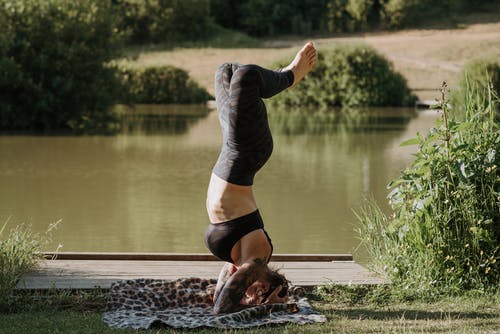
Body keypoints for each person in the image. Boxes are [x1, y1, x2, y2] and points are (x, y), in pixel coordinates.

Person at [204, 42, 317, 314]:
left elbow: (219, 303)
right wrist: (277, 302)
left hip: (229, 155)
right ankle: (291, 75)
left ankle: (288, 76)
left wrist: (262, 303)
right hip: (248, 153)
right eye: (260, 294)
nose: (251, 295)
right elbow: (224, 306)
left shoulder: (237, 264)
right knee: (248, 76)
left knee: (227, 72)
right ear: (266, 286)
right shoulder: (257, 260)